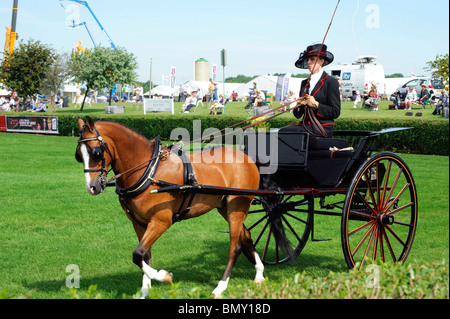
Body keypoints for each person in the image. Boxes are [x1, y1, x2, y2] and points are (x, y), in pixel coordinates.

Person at [279, 43, 340, 138]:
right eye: (307, 59)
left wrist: (316, 104)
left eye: (312, 59)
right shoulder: (304, 83)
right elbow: (297, 114)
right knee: (282, 131)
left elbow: (335, 112)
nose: (308, 62)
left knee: (285, 132)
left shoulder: (331, 82)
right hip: (306, 127)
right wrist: (300, 106)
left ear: (322, 61)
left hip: (322, 128)